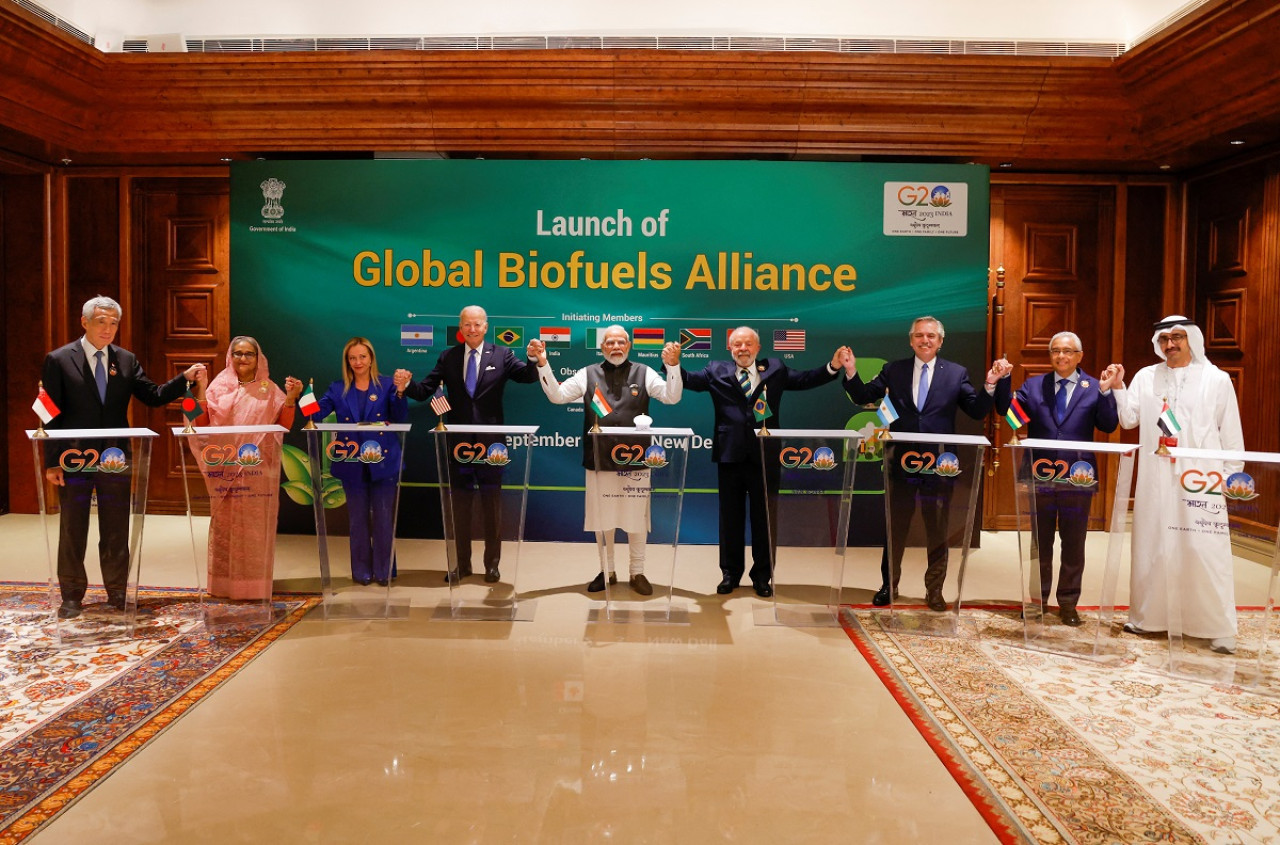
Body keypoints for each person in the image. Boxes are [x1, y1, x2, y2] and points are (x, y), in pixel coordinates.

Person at [41, 295, 206, 619]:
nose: (108, 328)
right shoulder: (59, 359)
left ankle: (117, 593)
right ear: (85, 322)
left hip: (116, 456)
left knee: (116, 527)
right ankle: (72, 596)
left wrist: (183, 379)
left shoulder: (126, 360)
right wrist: (51, 461)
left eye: (114, 322)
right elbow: (50, 413)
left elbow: (153, 396)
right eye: (101, 321)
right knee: (73, 528)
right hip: (74, 457)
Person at [844, 316, 1001, 612]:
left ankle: (935, 590)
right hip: (900, 462)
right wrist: (851, 371)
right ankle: (889, 585)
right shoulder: (894, 370)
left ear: (940, 341)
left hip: (940, 465)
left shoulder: (956, 373)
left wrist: (990, 385)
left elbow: (976, 410)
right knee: (895, 527)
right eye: (919, 335)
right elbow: (862, 395)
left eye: (931, 336)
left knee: (937, 529)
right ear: (911, 340)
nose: (924, 340)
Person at [682, 327, 852, 598]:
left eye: (748, 344)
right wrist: (671, 365)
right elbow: (688, 379)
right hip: (729, 455)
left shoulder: (775, 368)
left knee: (764, 520)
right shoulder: (715, 370)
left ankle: (763, 576)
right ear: (729, 349)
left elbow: (806, 379)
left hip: (765, 456)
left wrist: (833, 366)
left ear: (757, 347)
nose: (742, 349)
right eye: (737, 344)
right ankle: (730, 574)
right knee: (730, 519)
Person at [1112, 315, 1244, 654]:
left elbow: (1231, 433)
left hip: (1202, 477)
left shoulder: (1216, 380)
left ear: (1192, 340)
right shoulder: (1146, 376)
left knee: (1204, 549)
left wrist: (1230, 476)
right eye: (1164, 339)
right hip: (1156, 477)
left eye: (1177, 337)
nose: (1170, 344)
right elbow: (1129, 419)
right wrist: (1117, 388)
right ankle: (1150, 618)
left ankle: (1217, 626)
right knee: (1154, 545)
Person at [527, 326, 683, 595]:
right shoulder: (588, 373)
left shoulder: (644, 372)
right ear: (602, 348)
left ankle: (637, 572)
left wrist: (673, 367)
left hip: (636, 460)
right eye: (610, 342)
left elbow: (672, 397)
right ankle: (607, 570)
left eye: (621, 342)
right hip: (599, 458)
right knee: (603, 519)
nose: (616, 347)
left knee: (636, 519)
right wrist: (543, 364)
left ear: (629, 345)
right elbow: (557, 396)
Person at [393, 305, 539, 583]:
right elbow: (425, 390)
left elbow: (527, 377)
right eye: (466, 325)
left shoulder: (502, 354)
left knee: (492, 506)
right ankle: (461, 565)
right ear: (460, 328)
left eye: (477, 324)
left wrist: (533, 360)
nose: (472, 329)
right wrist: (406, 386)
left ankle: (492, 565)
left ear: (486, 326)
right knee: (459, 507)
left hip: (492, 445)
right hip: (457, 444)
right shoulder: (448, 357)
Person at [993, 331, 1121, 625]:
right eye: (1055, 351)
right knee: (1042, 541)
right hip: (1041, 475)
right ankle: (1038, 601)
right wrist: (1002, 382)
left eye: (1067, 351)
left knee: (1074, 541)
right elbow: (1010, 414)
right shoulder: (1034, 385)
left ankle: (1068, 604)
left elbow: (1108, 423)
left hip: (1078, 476)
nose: (1061, 356)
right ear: (1050, 356)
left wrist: (1105, 392)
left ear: (1079, 356)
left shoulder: (1094, 387)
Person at [189, 337, 303, 600]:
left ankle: (253, 586)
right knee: (224, 527)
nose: (243, 358)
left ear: (258, 358)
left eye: (248, 354)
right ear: (231, 356)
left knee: (254, 528)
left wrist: (291, 399)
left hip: (257, 470)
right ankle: (222, 585)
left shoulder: (270, 389)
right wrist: (202, 388)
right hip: (225, 467)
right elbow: (202, 423)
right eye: (237, 353)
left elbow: (283, 426)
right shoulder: (218, 386)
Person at [310, 337, 408, 587]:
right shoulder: (336, 388)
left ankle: (384, 571)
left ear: (371, 358)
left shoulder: (387, 385)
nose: (357, 362)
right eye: (352, 358)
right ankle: (362, 570)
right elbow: (315, 414)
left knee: (385, 518)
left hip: (384, 461)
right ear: (347, 361)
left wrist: (399, 392)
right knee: (357, 519)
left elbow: (399, 416)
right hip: (351, 461)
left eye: (362, 357)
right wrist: (300, 396)